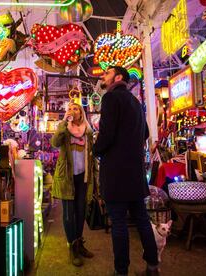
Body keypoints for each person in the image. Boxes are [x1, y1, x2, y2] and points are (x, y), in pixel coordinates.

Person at [93, 66, 159, 276]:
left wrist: (96, 149)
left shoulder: (111, 98)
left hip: (116, 173)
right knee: (142, 219)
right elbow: (146, 133)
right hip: (135, 172)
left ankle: (121, 271)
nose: (103, 76)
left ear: (118, 77)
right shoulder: (135, 102)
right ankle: (152, 266)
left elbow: (107, 134)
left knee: (119, 223)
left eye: (107, 73)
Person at [51, 102, 95, 267]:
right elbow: (55, 142)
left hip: (83, 177)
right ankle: (72, 247)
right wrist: (63, 122)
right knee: (69, 214)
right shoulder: (64, 129)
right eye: (69, 108)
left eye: (75, 108)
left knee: (81, 211)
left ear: (81, 112)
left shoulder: (88, 131)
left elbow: (92, 154)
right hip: (67, 177)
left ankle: (79, 243)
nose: (72, 110)